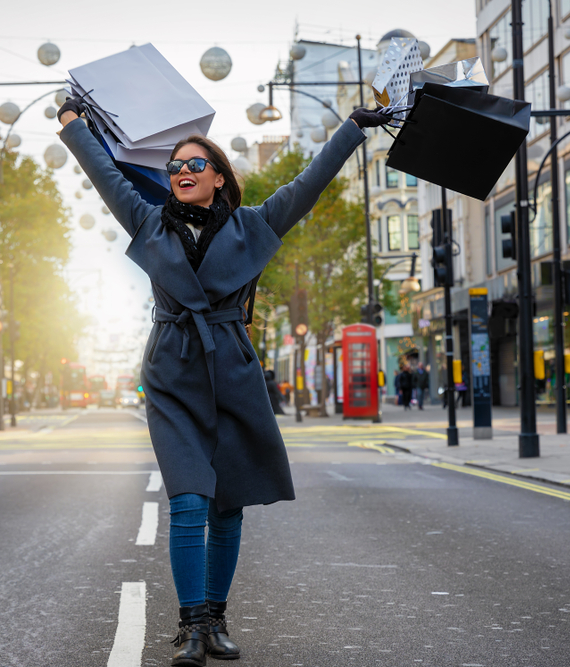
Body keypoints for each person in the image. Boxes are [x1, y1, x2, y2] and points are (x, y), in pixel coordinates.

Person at [58, 96, 389, 666]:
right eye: (175, 167)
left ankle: (215, 618)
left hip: (232, 369)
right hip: (172, 368)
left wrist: (354, 129)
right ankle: (189, 628)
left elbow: (308, 185)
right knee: (188, 499)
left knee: (227, 505)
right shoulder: (147, 220)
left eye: (194, 165)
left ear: (216, 177)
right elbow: (105, 174)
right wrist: (73, 126)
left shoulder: (253, 224)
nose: (182, 172)